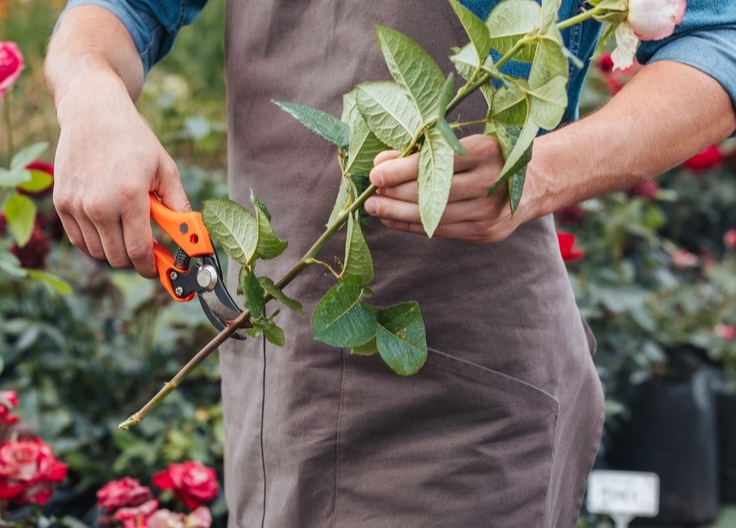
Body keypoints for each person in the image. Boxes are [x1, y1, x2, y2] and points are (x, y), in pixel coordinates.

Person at [45, 1, 736, 526]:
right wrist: (90, 93)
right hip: (280, 378)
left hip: (464, 395)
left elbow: (716, 36)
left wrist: (542, 172)